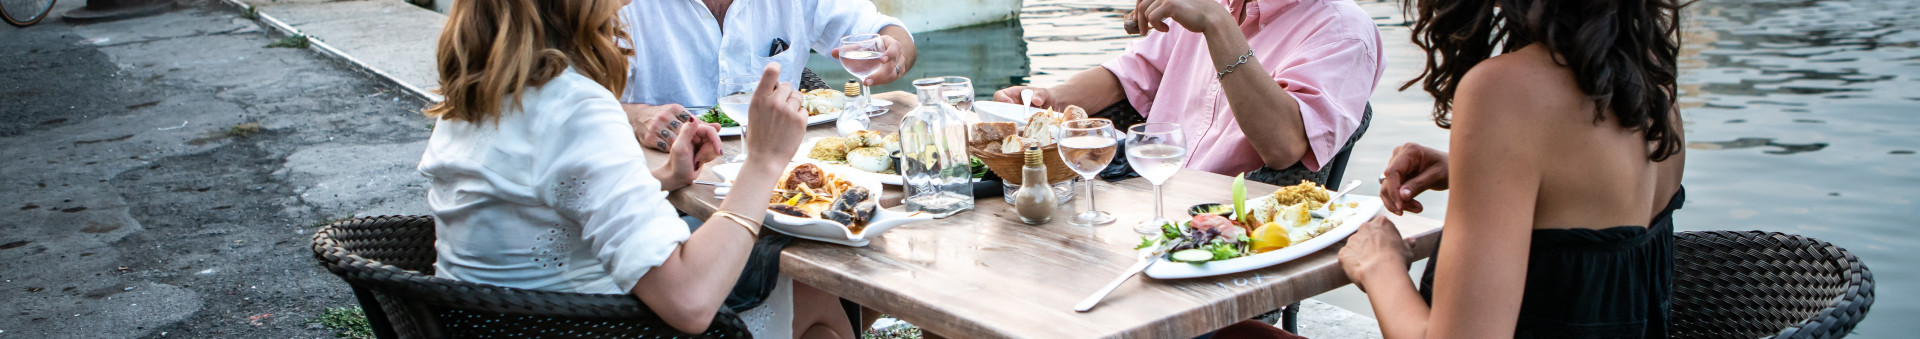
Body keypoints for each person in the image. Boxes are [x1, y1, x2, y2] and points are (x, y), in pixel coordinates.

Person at [416, 0, 852, 337]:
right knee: (812, 292)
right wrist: (764, 160)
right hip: (593, 325)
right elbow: (690, 302)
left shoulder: (475, 99)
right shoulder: (574, 108)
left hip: (502, 323)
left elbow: (545, 198)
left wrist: (660, 180)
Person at [1313, 0, 1688, 337]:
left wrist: (1379, 262)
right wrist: (1470, 171)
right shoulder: (1651, 77)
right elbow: (1599, 212)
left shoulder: (1503, 91)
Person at [992, 0, 1382, 185]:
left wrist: (1216, 25)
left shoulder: (1343, 30)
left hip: (1228, 233)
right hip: (1143, 195)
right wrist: (1049, 99)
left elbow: (1284, 144)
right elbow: (1133, 72)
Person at [619, 0, 920, 152]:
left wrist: (893, 52)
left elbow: (890, 31)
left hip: (778, 171)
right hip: (666, 184)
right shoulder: (623, 7)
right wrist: (634, 117)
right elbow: (574, 103)